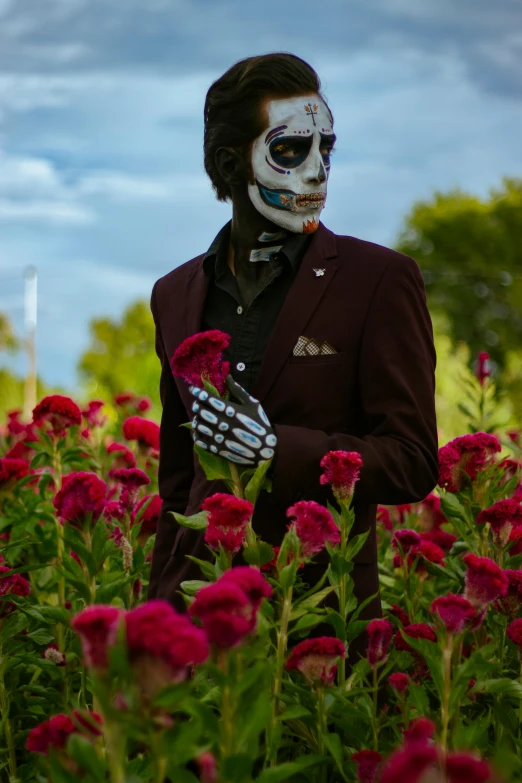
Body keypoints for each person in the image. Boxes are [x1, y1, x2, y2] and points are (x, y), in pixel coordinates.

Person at [148, 53, 438, 655]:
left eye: (326, 148)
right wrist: (157, 628)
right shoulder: (174, 295)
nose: (317, 172)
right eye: (290, 151)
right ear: (231, 164)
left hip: (318, 637)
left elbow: (412, 462)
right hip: (199, 634)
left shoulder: (378, 280)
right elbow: (178, 488)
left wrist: (280, 448)